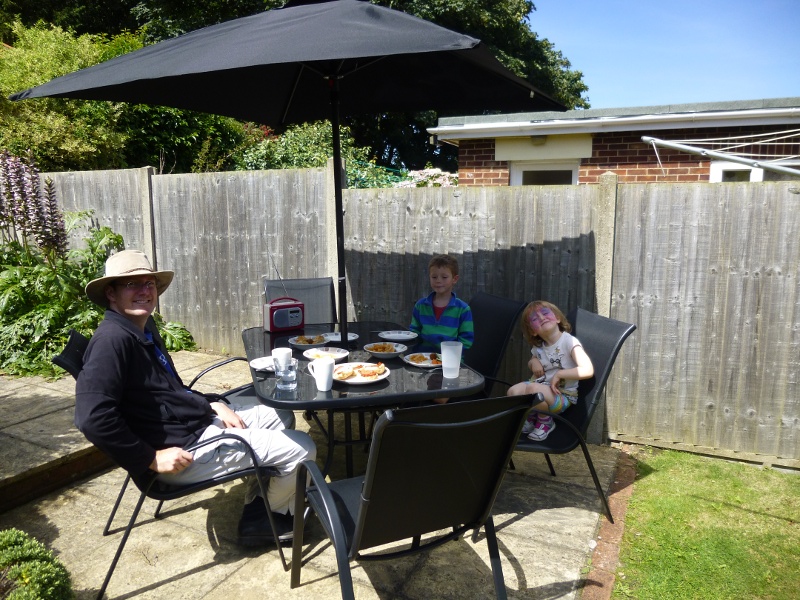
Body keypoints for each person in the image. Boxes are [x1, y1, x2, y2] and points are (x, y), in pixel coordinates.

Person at [75, 249, 316, 546]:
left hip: (195, 424)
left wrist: (212, 403)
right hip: (187, 451)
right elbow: (92, 417)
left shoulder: (142, 329)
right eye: (131, 284)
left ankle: (259, 501)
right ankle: (271, 516)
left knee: (280, 415)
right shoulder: (111, 342)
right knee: (303, 448)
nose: (144, 291)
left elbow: (170, 390)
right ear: (111, 293)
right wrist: (150, 458)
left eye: (148, 283)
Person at [508, 301, 594, 441]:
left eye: (545, 313)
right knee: (513, 391)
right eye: (535, 319)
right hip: (538, 388)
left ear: (557, 318)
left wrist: (560, 374)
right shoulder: (540, 347)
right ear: (533, 331)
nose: (542, 318)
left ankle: (545, 421)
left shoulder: (569, 342)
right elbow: (532, 359)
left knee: (533, 389)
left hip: (562, 396)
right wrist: (534, 362)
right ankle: (530, 418)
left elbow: (587, 370)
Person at [409, 254, 474, 353]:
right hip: (421, 360)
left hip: (450, 362)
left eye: (444, 277)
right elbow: (414, 334)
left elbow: (466, 341)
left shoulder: (463, 309)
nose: (438, 281)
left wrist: (449, 357)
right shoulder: (420, 306)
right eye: (434, 277)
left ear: (454, 279)